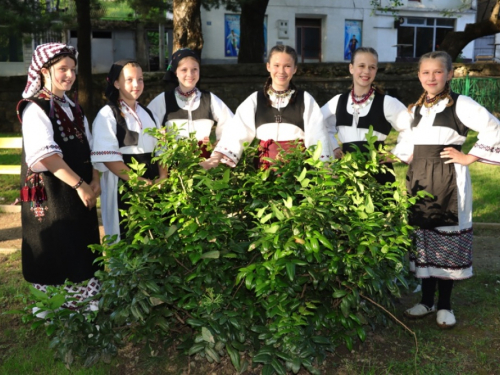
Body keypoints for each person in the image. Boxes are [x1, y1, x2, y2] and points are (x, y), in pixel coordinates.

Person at [392, 51, 500, 328]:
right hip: (420, 180)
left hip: (448, 179)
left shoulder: (460, 105)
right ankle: (426, 301)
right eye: (425, 72)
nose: (431, 77)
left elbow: (494, 127)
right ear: (419, 76)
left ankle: (445, 305)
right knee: (425, 239)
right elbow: (406, 137)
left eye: (438, 72)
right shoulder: (415, 109)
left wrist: (468, 157)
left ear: (449, 74)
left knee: (446, 237)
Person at [17, 43, 102, 314]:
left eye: (73, 70)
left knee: (80, 241)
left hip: (79, 190)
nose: (70, 75)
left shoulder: (74, 108)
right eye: (62, 69)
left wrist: (95, 179)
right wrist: (80, 184)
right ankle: (53, 309)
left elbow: (90, 146)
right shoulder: (35, 109)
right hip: (53, 193)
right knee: (55, 243)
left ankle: (84, 304)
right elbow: (46, 157)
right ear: (44, 71)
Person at [201, 44, 332, 170]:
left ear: (295, 69)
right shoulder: (255, 100)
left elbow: (318, 135)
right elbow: (236, 131)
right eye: (276, 65)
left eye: (287, 66)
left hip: (296, 172)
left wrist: (326, 168)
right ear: (268, 66)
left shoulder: (305, 100)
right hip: (263, 173)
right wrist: (216, 158)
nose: (281, 71)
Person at [91, 60, 167, 241]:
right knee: (126, 236)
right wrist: (136, 180)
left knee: (154, 235)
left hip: (152, 182)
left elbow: (161, 149)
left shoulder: (149, 114)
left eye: (140, 79)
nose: (136, 85)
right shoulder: (107, 114)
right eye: (129, 80)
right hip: (123, 184)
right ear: (116, 83)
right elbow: (108, 157)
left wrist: (163, 177)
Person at [321, 47, 410, 184]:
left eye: (372, 67)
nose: (366, 71)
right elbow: (318, 123)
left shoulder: (387, 102)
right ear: (351, 68)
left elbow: (411, 128)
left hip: (378, 171)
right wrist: (334, 147)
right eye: (361, 66)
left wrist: (395, 154)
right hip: (348, 170)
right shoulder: (338, 101)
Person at [147, 48, 234, 159]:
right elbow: (147, 127)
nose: (190, 74)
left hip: (204, 164)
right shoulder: (163, 100)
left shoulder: (209, 99)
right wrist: (161, 140)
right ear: (175, 72)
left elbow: (231, 125)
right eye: (184, 70)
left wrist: (218, 148)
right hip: (173, 165)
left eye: (194, 69)